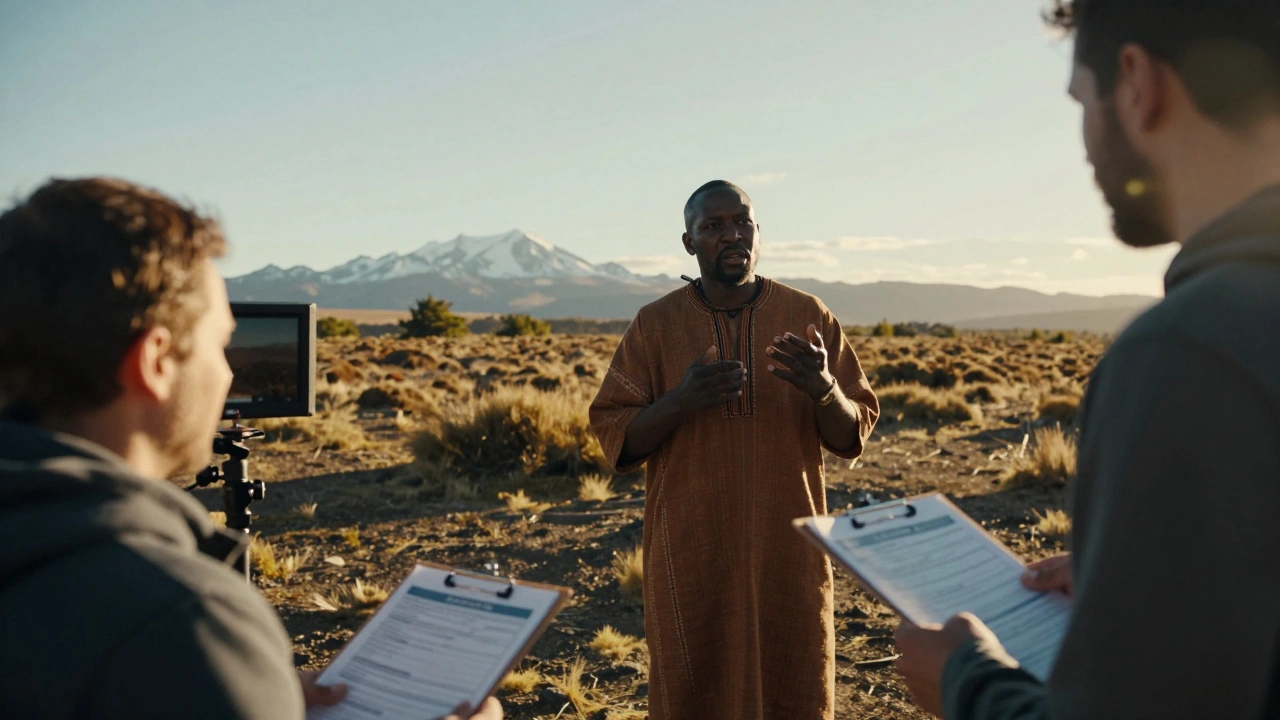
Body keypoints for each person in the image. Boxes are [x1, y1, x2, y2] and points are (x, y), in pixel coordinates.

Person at [892, 1, 1280, 718]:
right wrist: (1139, 579)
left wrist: (965, 683)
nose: (1083, 142)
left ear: (1136, 83)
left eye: (1081, 99)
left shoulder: (1189, 353)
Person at [0, 177, 501, 720]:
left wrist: (251, 695)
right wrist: (222, 675)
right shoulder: (181, 621)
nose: (228, 374)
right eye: (220, 345)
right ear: (156, 362)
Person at [589, 180, 880, 720]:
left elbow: (850, 436)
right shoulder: (656, 325)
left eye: (742, 222)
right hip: (691, 545)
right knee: (691, 680)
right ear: (688, 242)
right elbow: (616, 435)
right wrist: (681, 400)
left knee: (795, 676)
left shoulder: (807, 315)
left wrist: (825, 389)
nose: (732, 234)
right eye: (713, 225)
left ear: (758, 232)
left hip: (791, 547)